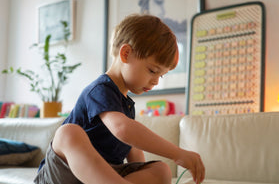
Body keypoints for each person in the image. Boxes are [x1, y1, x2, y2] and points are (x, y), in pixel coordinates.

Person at [34, 14, 205, 184]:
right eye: (153, 71)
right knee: (68, 133)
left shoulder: (126, 107)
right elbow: (123, 129)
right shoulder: (100, 89)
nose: (155, 81)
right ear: (126, 53)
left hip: (106, 175)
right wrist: (177, 153)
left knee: (161, 170)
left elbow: (133, 150)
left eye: (161, 76)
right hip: (62, 173)